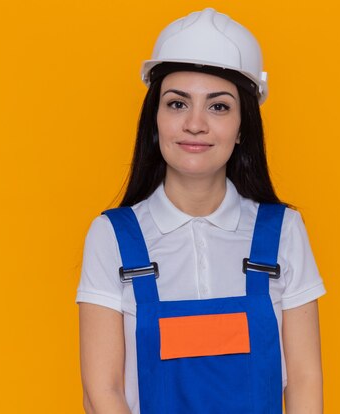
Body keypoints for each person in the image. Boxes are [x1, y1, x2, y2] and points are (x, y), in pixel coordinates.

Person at [76, 8, 326, 414]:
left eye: (218, 107)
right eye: (177, 104)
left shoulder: (283, 231)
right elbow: (101, 392)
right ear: (154, 121)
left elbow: (303, 381)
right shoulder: (112, 237)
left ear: (244, 125)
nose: (195, 124)